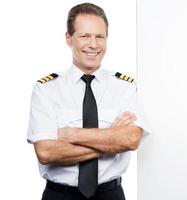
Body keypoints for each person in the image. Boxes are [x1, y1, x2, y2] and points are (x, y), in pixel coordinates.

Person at [27, 2, 148, 200]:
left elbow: (131, 139)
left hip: (111, 195)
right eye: (85, 36)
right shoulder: (46, 89)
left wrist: (70, 134)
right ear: (69, 38)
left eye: (100, 36)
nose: (93, 44)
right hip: (60, 195)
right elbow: (46, 152)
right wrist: (111, 139)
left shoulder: (125, 87)